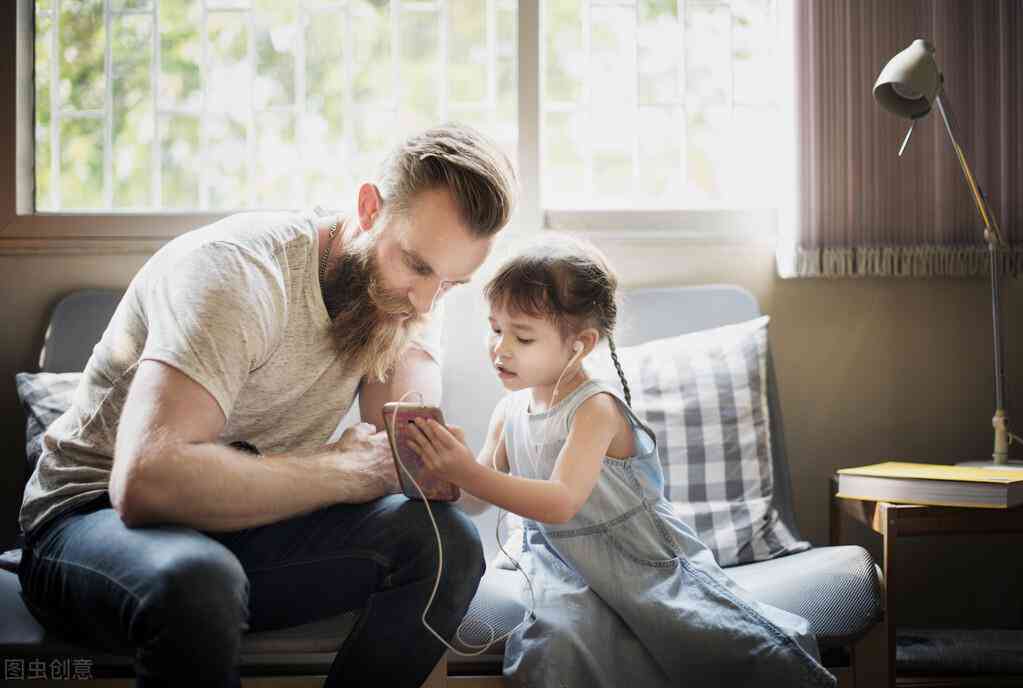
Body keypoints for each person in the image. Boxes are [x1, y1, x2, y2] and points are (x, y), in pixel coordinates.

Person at [17, 123, 518, 687]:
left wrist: (453, 454)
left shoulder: (409, 293)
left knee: (446, 542)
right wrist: (346, 472)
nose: (427, 299)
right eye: (419, 267)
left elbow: (402, 441)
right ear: (368, 207)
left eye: (452, 283)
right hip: (88, 523)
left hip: (251, 522)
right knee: (201, 580)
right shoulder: (238, 274)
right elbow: (145, 484)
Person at [404, 234, 839, 687]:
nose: (501, 348)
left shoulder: (595, 409)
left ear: (580, 344)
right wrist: (444, 473)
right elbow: (478, 498)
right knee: (555, 644)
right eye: (495, 329)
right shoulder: (510, 411)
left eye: (523, 336)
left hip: (638, 559)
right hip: (560, 567)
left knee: (718, 636)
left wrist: (468, 471)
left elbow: (560, 502)